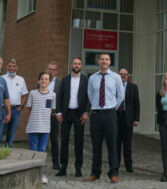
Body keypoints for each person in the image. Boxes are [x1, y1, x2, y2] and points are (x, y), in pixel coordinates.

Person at [85, 53, 124, 183]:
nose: (104, 61)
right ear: (98, 61)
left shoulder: (116, 77)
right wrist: (98, 106)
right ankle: (95, 173)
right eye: (102, 59)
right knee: (96, 145)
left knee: (112, 145)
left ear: (110, 62)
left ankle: (113, 173)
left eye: (106, 59)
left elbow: (121, 96)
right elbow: (90, 95)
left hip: (110, 115)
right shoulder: (92, 78)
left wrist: (111, 107)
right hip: (96, 115)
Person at [55, 57, 90, 177]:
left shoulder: (86, 80)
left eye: (78, 64)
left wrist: (86, 112)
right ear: (71, 65)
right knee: (64, 140)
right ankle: (63, 167)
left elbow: (88, 98)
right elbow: (59, 97)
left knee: (79, 142)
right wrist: (58, 112)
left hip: (79, 115)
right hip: (66, 114)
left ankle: (78, 169)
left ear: (81, 66)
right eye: (74, 63)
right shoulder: (65, 79)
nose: (76, 65)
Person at [26, 71, 57, 185]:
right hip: (33, 126)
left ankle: (41, 174)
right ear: (38, 80)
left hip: (45, 127)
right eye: (42, 79)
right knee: (33, 149)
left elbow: (51, 110)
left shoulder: (52, 95)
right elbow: (29, 109)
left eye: (46, 79)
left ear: (49, 82)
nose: (44, 81)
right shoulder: (32, 93)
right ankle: (31, 174)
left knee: (42, 150)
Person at [0, 58, 28, 147]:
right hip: (3, 110)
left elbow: (24, 95)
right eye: (9, 66)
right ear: (6, 67)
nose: (11, 68)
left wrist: (21, 107)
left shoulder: (21, 79)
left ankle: (9, 151)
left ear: (17, 67)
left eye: (14, 66)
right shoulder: (1, 78)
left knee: (12, 133)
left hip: (15, 110)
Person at [116, 68, 140, 173]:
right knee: (116, 144)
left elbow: (136, 104)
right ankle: (115, 165)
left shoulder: (133, 87)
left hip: (128, 118)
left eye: (125, 74)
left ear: (128, 76)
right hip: (116, 118)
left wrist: (136, 119)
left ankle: (128, 166)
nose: (123, 76)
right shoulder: (114, 86)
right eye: (121, 74)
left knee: (127, 144)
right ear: (118, 75)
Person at [45, 61, 62, 170]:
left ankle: (56, 162)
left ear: (56, 71)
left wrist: (58, 111)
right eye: (50, 69)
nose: (51, 71)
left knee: (54, 139)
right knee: (42, 138)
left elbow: (62, 98)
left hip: (54, 114)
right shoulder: (42, 81)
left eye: (53, 69)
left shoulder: (61, 83)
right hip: (43, 114)